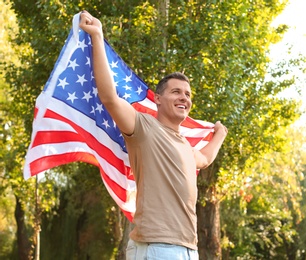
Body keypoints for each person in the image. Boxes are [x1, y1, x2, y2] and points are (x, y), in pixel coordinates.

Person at [79, 11, 228, 260]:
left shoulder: (185, 146)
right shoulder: (144, 128)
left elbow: (205, 159)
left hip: (188, 249)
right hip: (157, 248)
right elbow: (109, 98)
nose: (184, 98)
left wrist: (220, 134)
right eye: (176, 92)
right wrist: (97, 35)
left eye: (188, 94)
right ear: (158, 99)